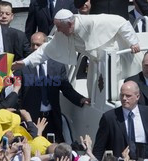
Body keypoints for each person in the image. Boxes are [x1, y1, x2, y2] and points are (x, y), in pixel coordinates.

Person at [12, 9, 140, 97]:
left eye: (60, 28)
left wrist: (133, 42)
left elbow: (121, 22)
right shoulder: (64, 31)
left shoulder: (92, 21)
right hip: (95, 63)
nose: (58, 31)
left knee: (113, 89)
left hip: (113, 59)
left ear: (69, 24)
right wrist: (25, 62)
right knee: (93, 90)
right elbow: (46, 49)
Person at [19, 32, 90, 143]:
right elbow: (18, 92)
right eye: (32, 45)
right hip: (31, 118)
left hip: (52, 118)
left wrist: (80, 99)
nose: (34, 48)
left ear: (46, 45)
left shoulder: (57, 64)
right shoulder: (23, 66)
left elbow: (66, 88)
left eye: (38, 45)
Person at [93, 81, 148, 160]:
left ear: (137, 96)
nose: (124, 98)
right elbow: (98, 149)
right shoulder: (109, 118)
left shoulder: (146, 113)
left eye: (128, 96)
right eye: (122, 95)